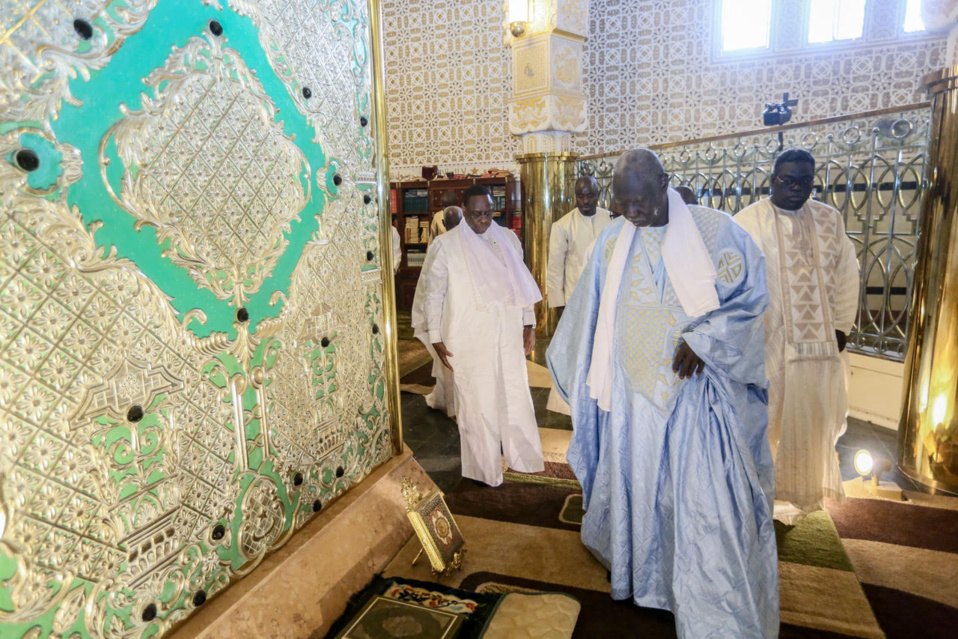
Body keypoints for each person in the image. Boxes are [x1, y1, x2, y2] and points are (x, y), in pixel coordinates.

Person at [547, 149, 778, 638]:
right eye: (623, 203)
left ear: (664, 184)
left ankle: (699, 597)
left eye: (640, 202)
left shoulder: (716, 232)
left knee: (700, 504)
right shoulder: (612, 241)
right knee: (637, 484)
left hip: (694, 398)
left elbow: (752, 298)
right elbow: (586, 314)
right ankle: (640, 576)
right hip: (631, 405)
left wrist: (704, 338)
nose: (632, 213)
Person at [735, 148, 859, 525]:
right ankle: (756, 496)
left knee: (810, 423)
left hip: (817, 351)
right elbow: (733, 283)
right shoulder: (746, 222)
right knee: (765, 423)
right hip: (767, 345)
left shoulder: (829, 219)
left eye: (804, 181)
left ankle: (796, 497)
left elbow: (846, 274)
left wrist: (841, 326)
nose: (796, 188)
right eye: (787, 180)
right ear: (772, 179)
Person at [413, 184, 544, 486]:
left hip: (507, 331)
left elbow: (520, 285)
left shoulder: (508, 238)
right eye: (475, 215)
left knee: (514, 393)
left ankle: (522, 457)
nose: (483, 221)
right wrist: (435, 335)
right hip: (467, 335)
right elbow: (434, 294)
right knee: (476, 401)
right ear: (465, 210)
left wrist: (528, 324)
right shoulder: (446, 245)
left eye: (487, 214)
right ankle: (484, 470)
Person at [545, 176, 612, 415]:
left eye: (590, 195)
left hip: (607, 298)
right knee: (579, 352)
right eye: (581, 196)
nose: (585, 201)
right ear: (575, 197)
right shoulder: (562, 225)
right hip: (577, 301)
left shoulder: (610, 219)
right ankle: (570, 401)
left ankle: (603, 398)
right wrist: (560, 308)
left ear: (598, 194)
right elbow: (554, 270)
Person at [413, 206, 463, 417]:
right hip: (446, 313)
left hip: (466, 314)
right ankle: (452, 406)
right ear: (444, 223)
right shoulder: (439, 246)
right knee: (449, 362)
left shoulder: (472, 241)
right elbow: (429, 285)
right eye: (449, 223)